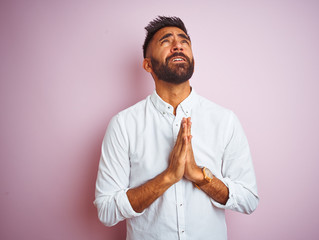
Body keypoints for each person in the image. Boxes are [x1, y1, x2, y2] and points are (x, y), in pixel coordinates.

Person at [94, 16, 259, 240]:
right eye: (165, 41)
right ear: (147, 64)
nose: (178, 45)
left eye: (184, 41)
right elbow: (106, 210)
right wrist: (168, 177)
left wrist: (200, 177)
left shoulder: (225, 120)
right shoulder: (123, 125)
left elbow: (249, 199)